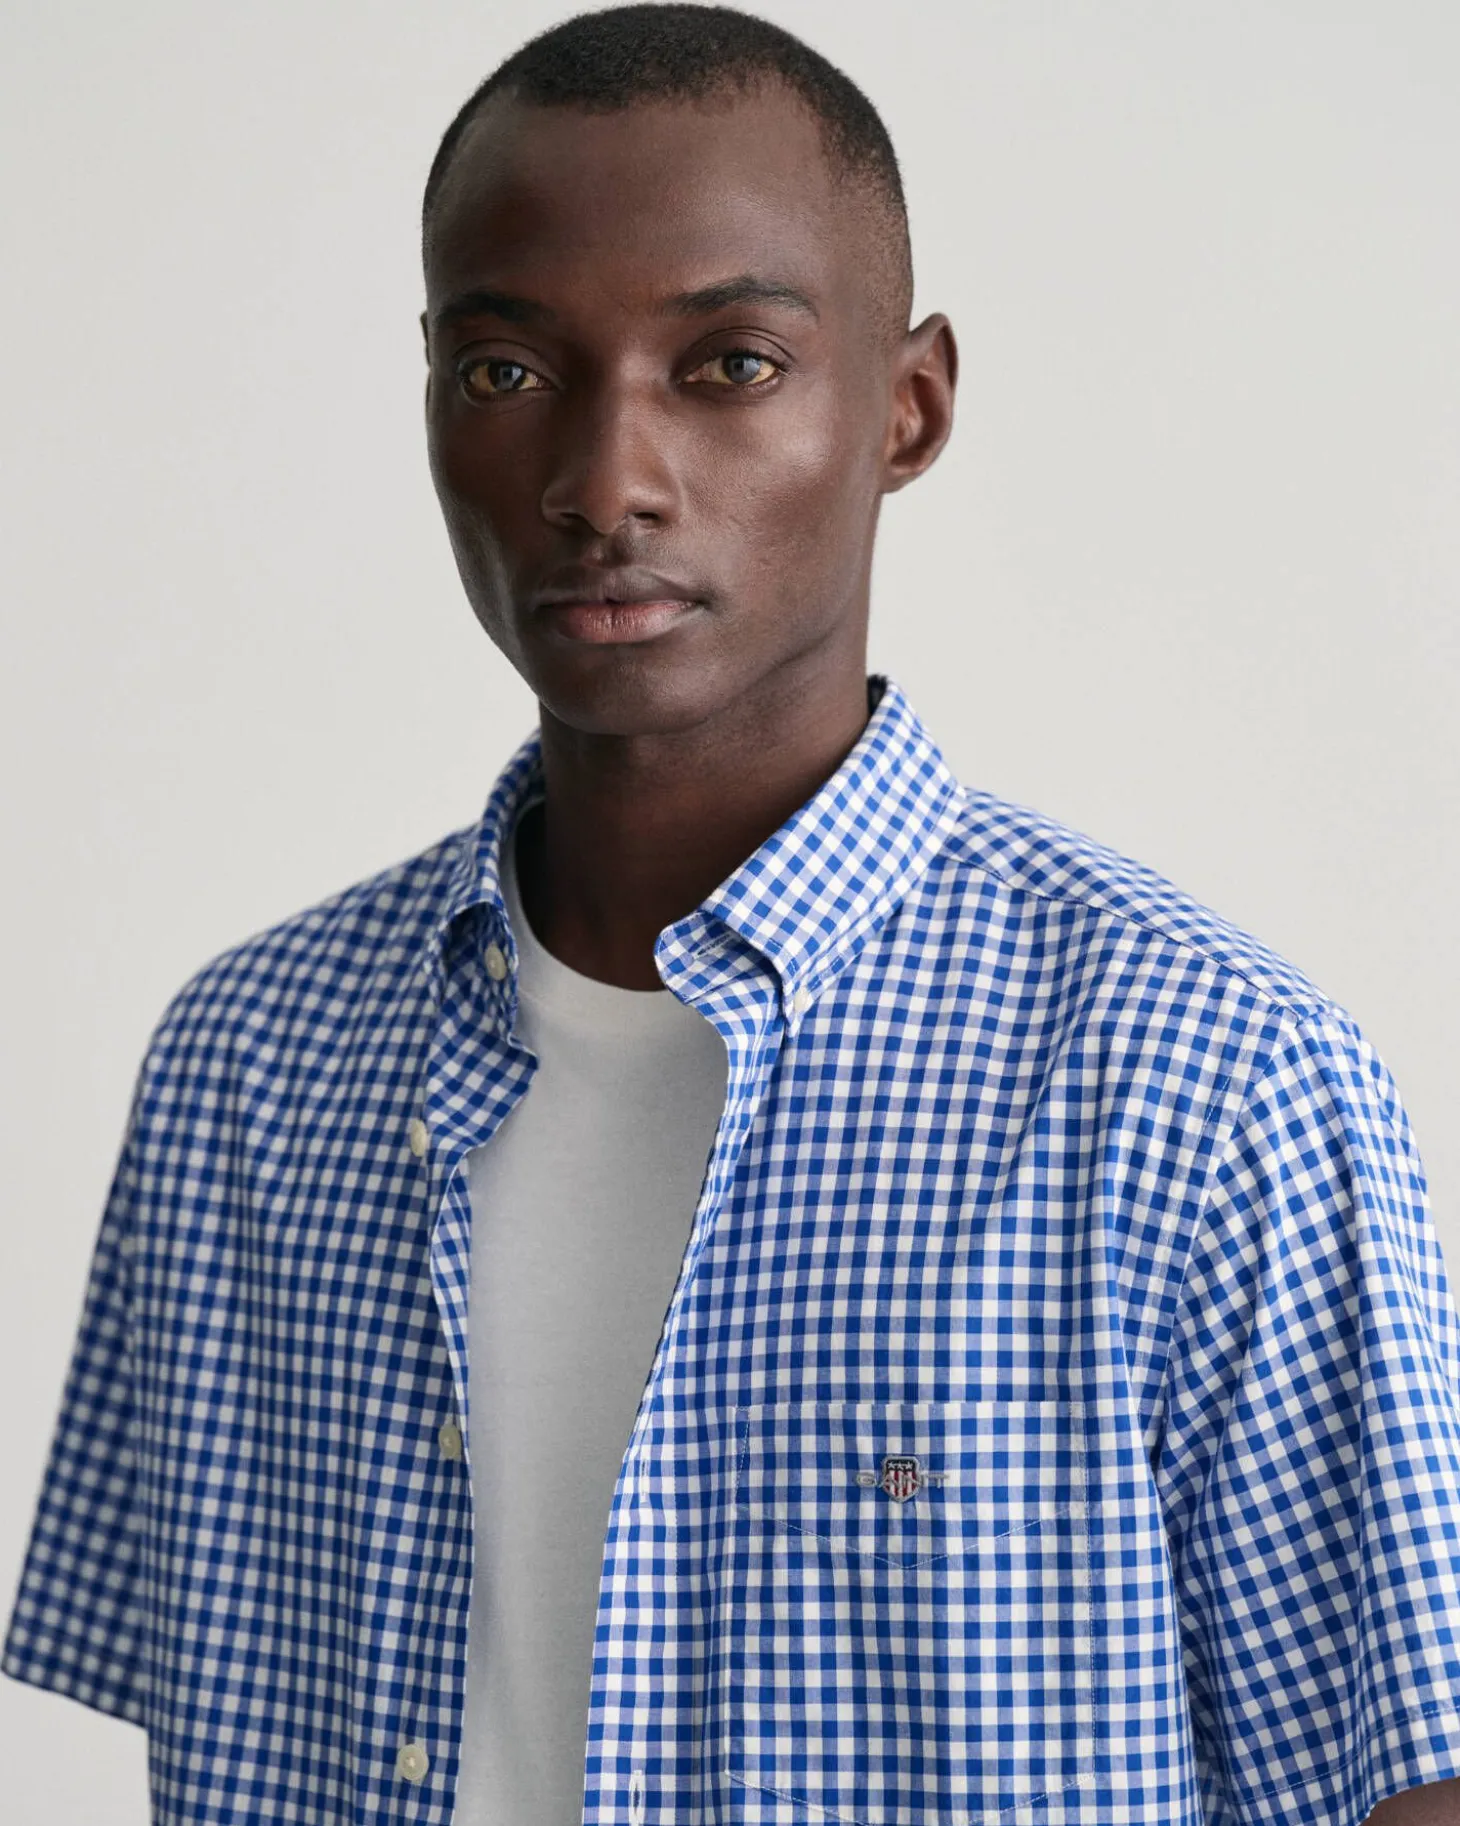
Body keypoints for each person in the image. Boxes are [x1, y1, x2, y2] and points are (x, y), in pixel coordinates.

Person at [6, 6, 1460, 1824]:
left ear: (909, 408)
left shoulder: (1210, 1083)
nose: (603, 481)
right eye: (507, 369)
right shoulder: (249, 1069)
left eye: (731, 364)